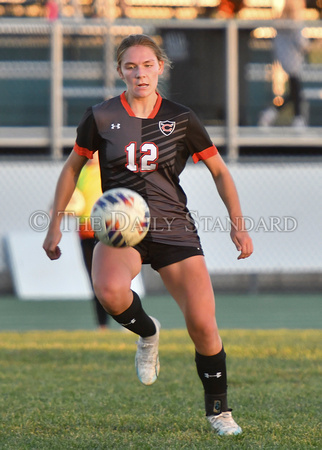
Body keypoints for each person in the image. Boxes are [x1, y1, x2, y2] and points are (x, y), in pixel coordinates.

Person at [43, 34, 253, 436]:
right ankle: (148, 331)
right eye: (130, 66)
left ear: (161, 67)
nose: (140, 73)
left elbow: (220, 171)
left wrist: (237, 224)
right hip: (122, 227)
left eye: (147, 65)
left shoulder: (182, 117)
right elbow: (72, 168)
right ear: (120, 70)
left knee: (204, 326)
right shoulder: (101, 116)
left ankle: (219, 412)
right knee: (109, 292)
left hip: (173, 226)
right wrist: (55, 224)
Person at [66, 152, 110, 330]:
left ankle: (128, 319)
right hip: (86, 233)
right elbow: (70, 198)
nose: (93, 155)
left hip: (109, 232)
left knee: (114, 278)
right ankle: (102, 326)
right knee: (95, 281)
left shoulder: (110, 171)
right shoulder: (80, 173)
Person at [258, 0, 308, 127]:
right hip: (293, 60)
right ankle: (296, 119)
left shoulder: (280, 22)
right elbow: (302, 43)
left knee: (294, 91)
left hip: (283, 59)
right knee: (296, 90)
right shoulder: (294, 23)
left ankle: (274, 114)